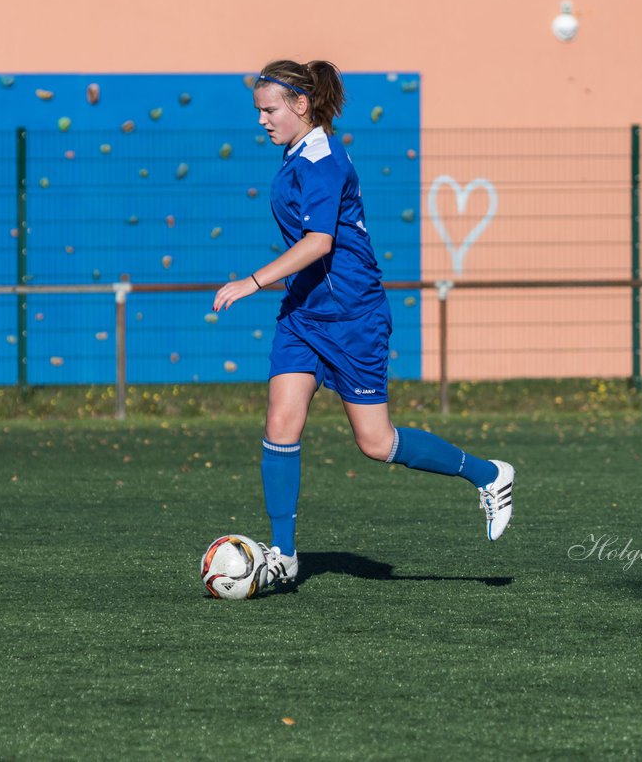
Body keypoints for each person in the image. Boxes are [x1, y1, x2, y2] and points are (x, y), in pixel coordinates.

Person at [213, 59, 515, 589]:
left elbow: (319, 244)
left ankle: (489, 475)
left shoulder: (323, 161)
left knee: (375, 443)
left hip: (354, 318)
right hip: (304, 315)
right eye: (258, 111)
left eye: (270, 110)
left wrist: (251, 283)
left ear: (301, 105)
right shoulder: (295, 155)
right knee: (280, 423)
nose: (261, 120)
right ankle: (284, 554)